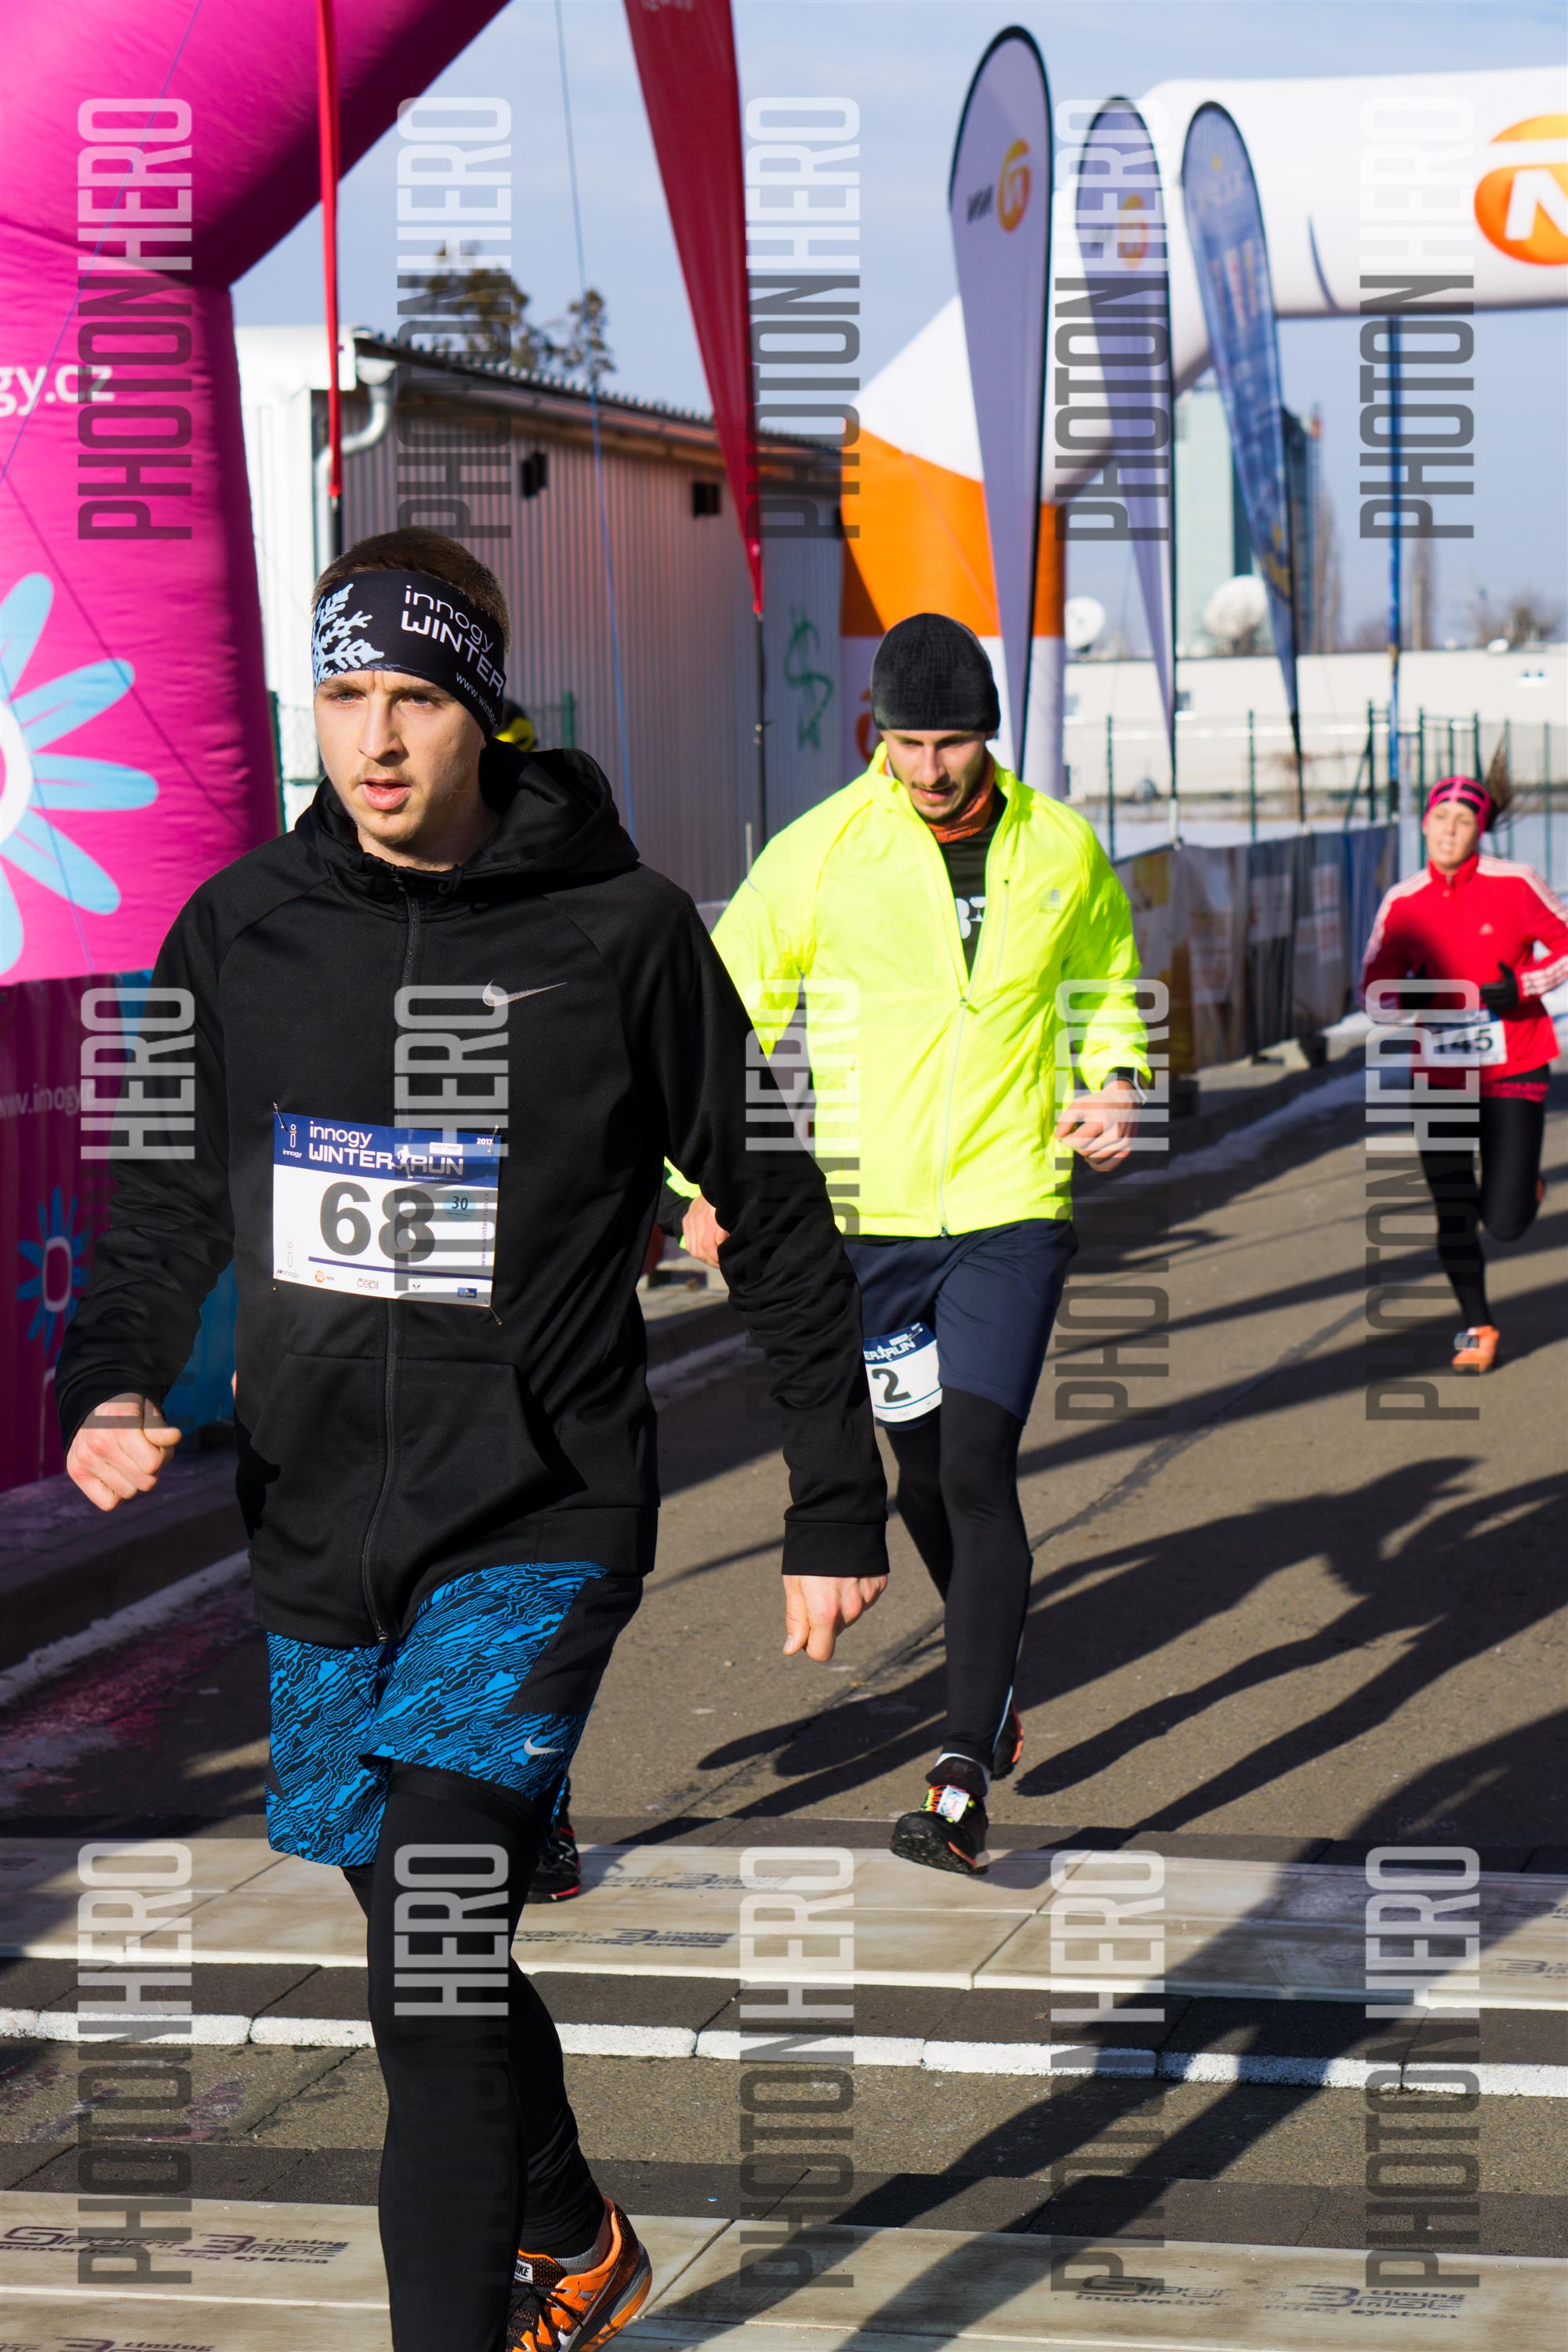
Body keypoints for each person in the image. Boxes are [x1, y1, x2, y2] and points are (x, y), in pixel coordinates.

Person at [56, 528, 887, 2352]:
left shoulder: (625, 933)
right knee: (420, 1954)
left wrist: (837, 1496)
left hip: (536, 1511)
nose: (373, 738)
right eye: (343, 694)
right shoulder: (241, 931)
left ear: (486, 711)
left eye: (415, 698)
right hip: (318, 1532)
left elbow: (770, 1200)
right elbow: (162, 1199)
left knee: (430, 1957)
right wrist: (109, 1383)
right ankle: (576, 2231)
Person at [665, 612, 1150, 1875]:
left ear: (991, 734)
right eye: (908, 741)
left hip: (1010, 1206)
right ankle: (995, 1685)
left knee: (978, 1465)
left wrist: (1114, 1077)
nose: (931, 768)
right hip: (866, 1226)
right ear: (875, 732)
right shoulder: (818, 853)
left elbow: (1106, 979)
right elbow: (717, 1021)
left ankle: (959, 1774)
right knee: (924, 1479)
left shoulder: (1060, 846)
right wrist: (699, 1181)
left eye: (954, 742)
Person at [1361, 763, 1566, 1372]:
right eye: (1441, 817)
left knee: (1503, 1222)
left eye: (1463, 821)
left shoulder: (1516, 883)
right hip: (1440, 1079)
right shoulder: (1403, 901)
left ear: (1481, 831)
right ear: (1424, 824)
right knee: (1452, 1210)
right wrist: (1412, 994)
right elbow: (1372, 993)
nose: (1449, 830)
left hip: (1514, 1067)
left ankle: (1522, 1191)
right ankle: (1478, 1327)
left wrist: (1523, 986)